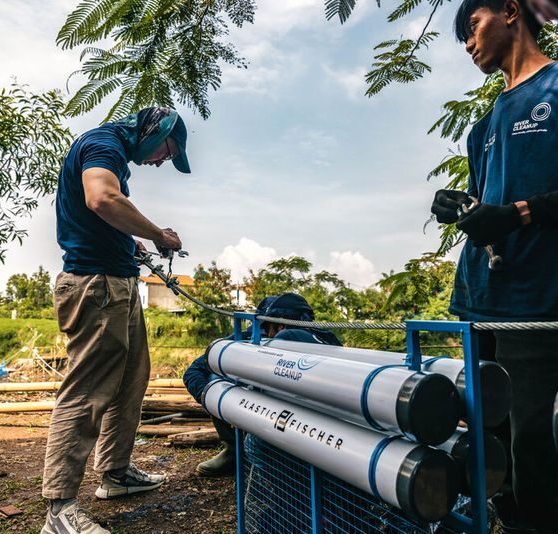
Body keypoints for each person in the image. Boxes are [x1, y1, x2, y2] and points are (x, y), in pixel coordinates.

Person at [430, 1, 558, 531]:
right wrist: (463, 209)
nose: (468, 43)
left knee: (542, 457)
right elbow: (489, 211)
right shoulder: (481, 130)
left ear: (509, 10)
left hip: (538, 301)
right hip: (474, 303)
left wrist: (519, 213)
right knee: (490, 452)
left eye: (471, 26)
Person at [42, 107, 191, 534]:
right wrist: (157, 235)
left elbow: (104, 217)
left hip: (118, 283)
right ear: (155, 131)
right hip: (96, 287)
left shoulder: (113, 153)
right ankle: (59, 508)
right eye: (168, 152)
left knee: (130, 379)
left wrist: (134, 249)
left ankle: (115, 473)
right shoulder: (102, 144)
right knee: (87, 389)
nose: (163, 161)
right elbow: (102, 199)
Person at [183, 292, 341, 477]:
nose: (265, 335)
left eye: (268, 329)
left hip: (300, 422)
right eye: (262, 328)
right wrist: (219, 401)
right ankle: (234, 450)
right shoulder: (249, 337)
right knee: (214, 381)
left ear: (281, 325)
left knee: (258, 444)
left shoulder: (310, 340)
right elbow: (193, 372)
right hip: (270, 414)